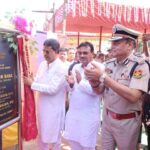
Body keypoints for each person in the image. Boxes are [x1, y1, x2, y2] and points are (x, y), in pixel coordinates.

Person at [85, 24, 150, 150]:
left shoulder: (140, 66)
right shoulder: (108, 64)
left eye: (117, 43)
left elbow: (133, 96)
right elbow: (100, 91)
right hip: (107, 119)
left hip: (127, 122)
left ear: (130, 45)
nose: (112, 46)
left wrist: (103, 77)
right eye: (112, 43)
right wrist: (93, 82)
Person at [24, 39, 67, 150]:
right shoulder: (43, 64)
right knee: (42, 137)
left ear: (56, 51)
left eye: (47, 52)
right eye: (44, 51)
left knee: (55, 139)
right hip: (42, 108)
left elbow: (52, 89)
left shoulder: (62, 68)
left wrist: (32, 84)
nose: (44, 54)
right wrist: (32, 80)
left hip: (54, 110)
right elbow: (38, 80)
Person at [64, 42, 103, 150]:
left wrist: (81, 81)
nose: (81, 55)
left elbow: (97, 92)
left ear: (93, 54)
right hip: (74, 113)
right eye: (79, 53)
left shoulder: (98, 68)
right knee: (74, 143)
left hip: (88, 116)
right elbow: (73, 90)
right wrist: (71, 84)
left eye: (85, 53)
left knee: (87, 145)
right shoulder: (75, 67)